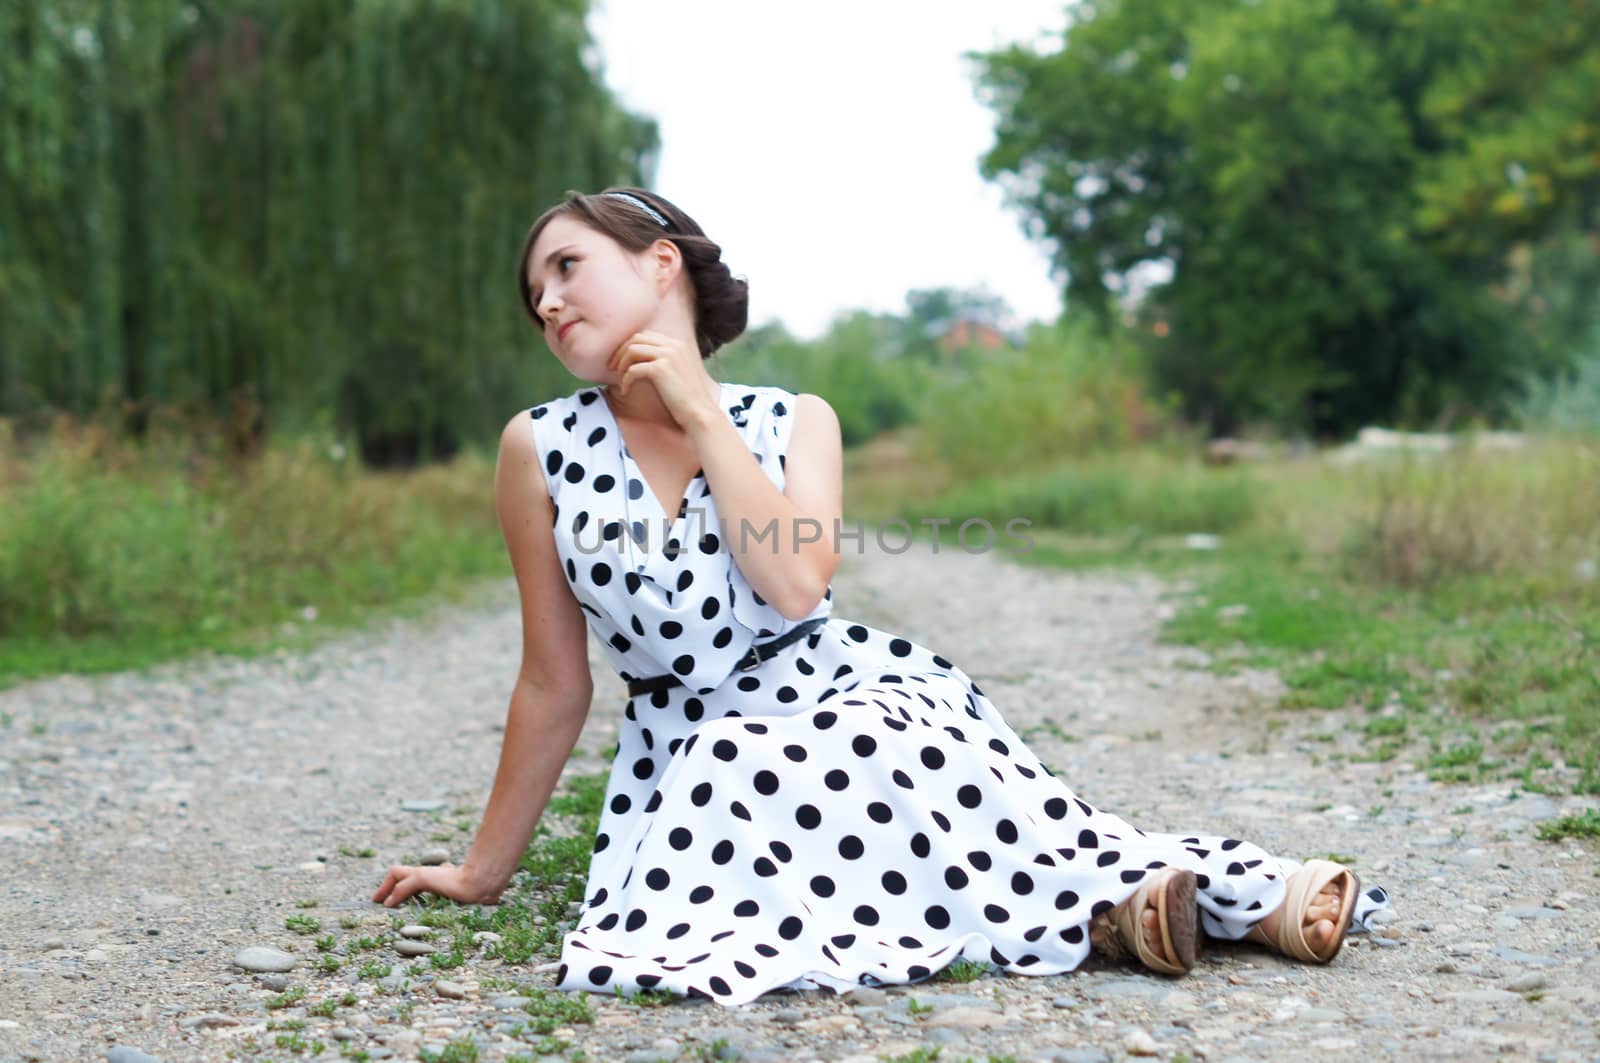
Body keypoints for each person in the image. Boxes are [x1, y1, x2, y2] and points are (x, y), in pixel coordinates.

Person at [373, 187, 1388, 1005]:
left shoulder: (794, 417)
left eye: (565, 267)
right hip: (696, 753)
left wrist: (695, 407)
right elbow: (553, 681)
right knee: (741, 764)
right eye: (532, 294)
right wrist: (482, 870)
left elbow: (795, 578)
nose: (546, 303)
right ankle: (1112, 919)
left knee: (917, 756)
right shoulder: (536, 448)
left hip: (836, 689)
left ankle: (1196, 899)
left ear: (659, 260)